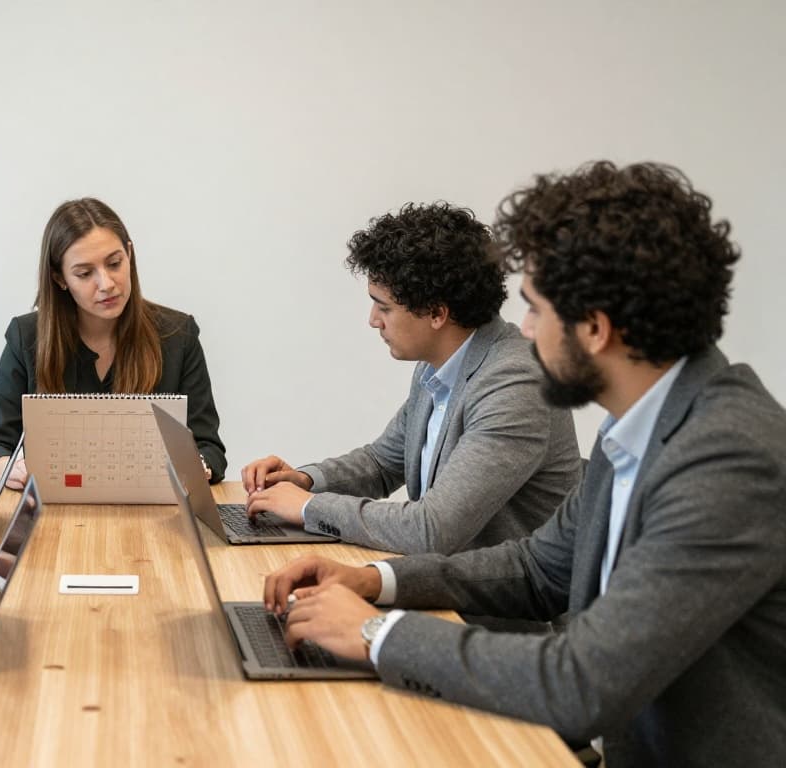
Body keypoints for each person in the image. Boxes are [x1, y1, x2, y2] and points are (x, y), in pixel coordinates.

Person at [264, 162, 786, 767]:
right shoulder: (641, 425)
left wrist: (375, 633)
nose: (526, 332)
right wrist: (377, 581)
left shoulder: (729, 459)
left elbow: (581, 683)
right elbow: (538, 570)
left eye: (535, 310)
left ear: (595, 328)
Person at [242, 202, 580, 554]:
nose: (373, 320)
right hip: (442, 583)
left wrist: (308, 507)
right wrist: (304, 480)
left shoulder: (515, 382)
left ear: (436, 313)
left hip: (490, 604)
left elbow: (432, 529)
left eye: (384, 307)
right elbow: (382, 463)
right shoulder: (439, 364)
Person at [0, 197, 226, 487]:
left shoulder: (179, 334)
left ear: (130, 254)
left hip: (154, 514)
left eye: (115, 263)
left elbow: (210, 448)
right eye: (85, 273)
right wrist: (9, 467)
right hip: (56, 512)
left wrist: (198, 466)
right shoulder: (27, 336)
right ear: (60, 278)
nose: (106, 284)